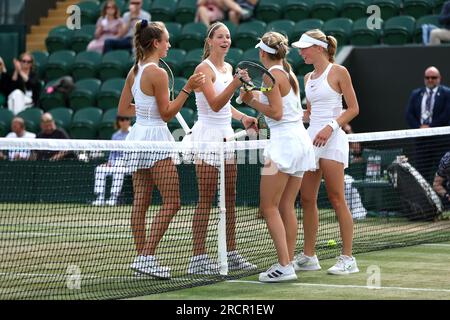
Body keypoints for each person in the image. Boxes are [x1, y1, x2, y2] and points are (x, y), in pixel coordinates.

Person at [117, 20, 205, 278]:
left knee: (141, 201)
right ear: (156, 43)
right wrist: (188, 88)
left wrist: (146, 111)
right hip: (155, 138)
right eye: (166, 40)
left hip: (137, 136)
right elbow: (166, 114)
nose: (169, 45)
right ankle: (146, 256)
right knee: (173, 201)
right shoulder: (158, 73)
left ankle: (143, 258)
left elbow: (124, 109)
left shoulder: (134, 71)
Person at [239, 32, 316, 282]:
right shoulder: (287, 74)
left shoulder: (271, 75)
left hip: (284, 143)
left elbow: (275, 112)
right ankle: (288, 260)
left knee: (268, 207)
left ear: (262, 53)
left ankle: (284, 265)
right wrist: (250, 93)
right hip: (299, 143)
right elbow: (273, 101)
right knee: (285, 205)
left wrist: (252, 101)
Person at [188, 22, 258, 275]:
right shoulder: (202, 69)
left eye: (228, 36)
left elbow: (227, 107)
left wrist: (243, 118)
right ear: (210, 41)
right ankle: (197, 258)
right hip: (207, 137)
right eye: (220, 36)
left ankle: (231, 252)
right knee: (206, 199)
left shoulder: (228, 67)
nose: (225, 40)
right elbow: (215, 104)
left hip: (227, 136)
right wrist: (236, 83)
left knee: (230, 196)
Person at [291, 29, 360, 275]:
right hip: (312, 139)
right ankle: (309, 256)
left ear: (318, 48)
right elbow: (310, 113)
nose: (300, 53)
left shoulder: (339, 72)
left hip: (333, 138)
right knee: (307, 199)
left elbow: (353, 108)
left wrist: (330, 127)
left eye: (304, 48)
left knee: (336, 198)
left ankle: (348, 258)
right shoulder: (308, 77)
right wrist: (288, 116)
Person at [405, 66, 450, 181]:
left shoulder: (447, 93)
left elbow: (446, 114)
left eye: (433, 77)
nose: (430, 80)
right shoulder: (416, 93)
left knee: (443, 177)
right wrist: (420, 128)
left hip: (440, 143)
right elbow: (409, 114)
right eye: (427, 77)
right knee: (421, 177)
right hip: (421, 144)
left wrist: (430, 128)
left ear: (439, 78)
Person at [92, 115, 131, 206]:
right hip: (116, 162)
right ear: (119, 122)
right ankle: (100, 198)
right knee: (99, 169)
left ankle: (113, 198)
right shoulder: (115, 135)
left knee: (118, 170)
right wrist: (109, 162)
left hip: (130, 164)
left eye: (127, 119)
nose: (124, 121)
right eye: (122, 119)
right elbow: (112, 153)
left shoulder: (134, 133)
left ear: (129, 121)